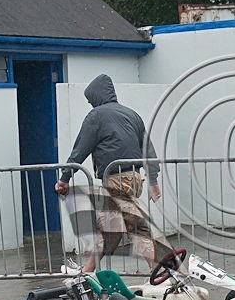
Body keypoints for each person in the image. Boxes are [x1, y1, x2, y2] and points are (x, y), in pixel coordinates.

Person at [55, 73, 162, 272]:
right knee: (110, 229)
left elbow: (80, 149)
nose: (90, 105)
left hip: (116, 179)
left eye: (90, 101)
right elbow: (149, 149)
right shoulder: (132, 114)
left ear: (96, 97)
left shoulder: (96, 116)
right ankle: (87, 271)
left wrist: (64, 178)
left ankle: (160, 271)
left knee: (133, 226)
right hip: (135, 178)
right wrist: (153, 180)